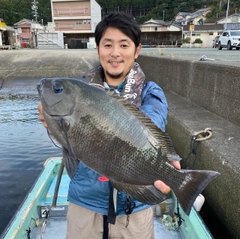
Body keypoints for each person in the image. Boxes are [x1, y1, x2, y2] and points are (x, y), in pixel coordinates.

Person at [38, 12, 180, 239]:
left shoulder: (151, 91)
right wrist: (51, 124)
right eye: (108, 45)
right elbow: (68, 142)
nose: (115, 53)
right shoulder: (80, 91)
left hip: (134, 211)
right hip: (84, 205)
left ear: (137, 50)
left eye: (124, 45)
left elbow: (154, 119)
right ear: (98, 49)